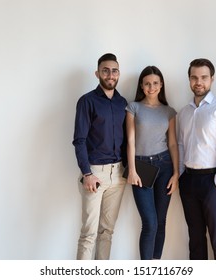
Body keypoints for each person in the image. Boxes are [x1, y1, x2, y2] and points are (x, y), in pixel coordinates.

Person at [177, 58, 216, 260]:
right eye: (194, 77)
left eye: (203, 77)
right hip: (189, 180)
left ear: (212, 79)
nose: (198, 82)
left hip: (213, 180)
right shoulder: (184, 112)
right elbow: (181, 145)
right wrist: (180, 175)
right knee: (195, 239)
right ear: (189, 80)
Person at [72, 53, 127, 260]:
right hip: (94, 174)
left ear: (118, 74)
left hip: (118, 175)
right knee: (89, 234)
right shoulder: (87, 101)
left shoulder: (123, 103)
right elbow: (79, 140)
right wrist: (86, 173)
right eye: (105, 70)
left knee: (107, 232)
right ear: (97, 73)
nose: (110, 75)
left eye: (114, 71)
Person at [125, 66, 179, 260]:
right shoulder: (133, 108)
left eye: (155, 83)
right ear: (142, 85)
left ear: (161, 84)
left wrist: (175, 173)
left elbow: (173, 143)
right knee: (150, 222)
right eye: (147, 83)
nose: (151, 87)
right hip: (140, 166)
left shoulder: (169, 112)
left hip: (164, 165)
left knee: (161, 221)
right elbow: (130, 141)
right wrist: (131, 169)